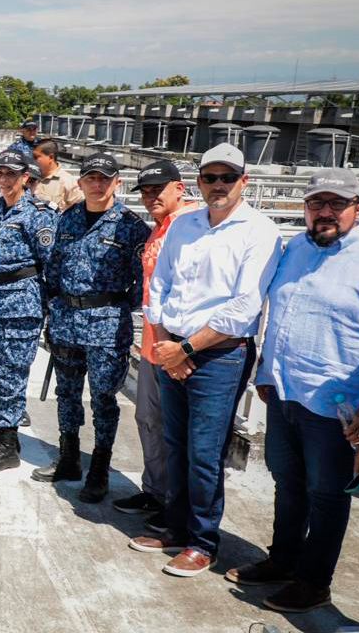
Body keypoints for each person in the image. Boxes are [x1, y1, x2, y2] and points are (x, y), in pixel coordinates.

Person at [130, 143, 282, 577]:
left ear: (243, 182)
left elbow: (243, 307)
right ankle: (175, 526)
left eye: (227, 178)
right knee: (174, 443)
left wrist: (186, 349)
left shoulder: (259, 231)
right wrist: (163, 344)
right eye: (210, 177)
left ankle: (202, 541)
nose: (218, 185)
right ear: (198, 182)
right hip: (172, 348)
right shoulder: (185, 225)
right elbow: (160, 286)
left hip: (218, 356)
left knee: (203, 452)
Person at [225, 169, 359, 611]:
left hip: (338, 403)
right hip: (285, 392)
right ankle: (283, 559)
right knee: (288, 482)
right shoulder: (295, 249)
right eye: (316, 204)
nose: (324, 212)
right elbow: (280, 313)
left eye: (336, 204)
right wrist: (266, 373)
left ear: (356, 209)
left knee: (326, 495)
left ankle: (313, 581)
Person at [33, 152, 149, 502]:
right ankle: (68, 457)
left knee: (103, 398)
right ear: (80, 182)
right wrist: (53, 310)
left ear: (117, 183)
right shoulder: (66, 220)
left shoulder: (130, 226)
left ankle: (99, 466)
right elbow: (52, 270)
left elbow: (143, 284)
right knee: (67, 393)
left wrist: (112, 307)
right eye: (91, 178)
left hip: (107, 328)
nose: (97, 184)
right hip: (66, 321)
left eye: (104, 178)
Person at [113, 160, 198, 530]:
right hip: (151, 344)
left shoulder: (192, 226)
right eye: (145, 191)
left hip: (177, 348)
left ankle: (177, 505)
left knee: (177, 431)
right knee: (148, 419)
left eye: (157, 190)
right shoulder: (161, 227)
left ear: (179, 188)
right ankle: (155, 490)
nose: (150, 197)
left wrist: (180, 348)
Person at [0, 151, 58, 472]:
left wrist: (51, 311)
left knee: (15, 370)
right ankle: (6, 431)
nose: (4, 179)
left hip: (20, 302)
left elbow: (52, 264)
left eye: (11, 174)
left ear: (25, 178)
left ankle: (8, 446)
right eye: (0, 173)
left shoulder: (38, 214)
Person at [31, 139, 84, 211]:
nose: (33, 160)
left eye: (36, 157)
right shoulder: (29, 178)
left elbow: (80, 209)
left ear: (51, 157)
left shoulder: (68, 182)